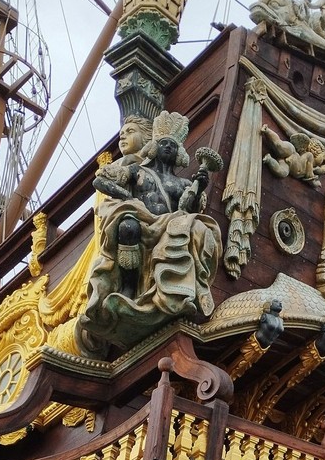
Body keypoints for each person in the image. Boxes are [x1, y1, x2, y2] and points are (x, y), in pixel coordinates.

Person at [75, 110, 223, 352]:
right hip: (142, 221)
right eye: (164, 143)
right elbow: (100, 181)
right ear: (155, 145)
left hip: (168, 222)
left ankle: (178, 289)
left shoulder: (183, 183)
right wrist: (129, 199)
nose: (167, 149)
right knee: (127, 225)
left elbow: (186, 208)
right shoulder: (138, 171)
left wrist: (199, 187)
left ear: (179, 154)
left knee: (196, 226)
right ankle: (129, 287)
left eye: (172, 146)